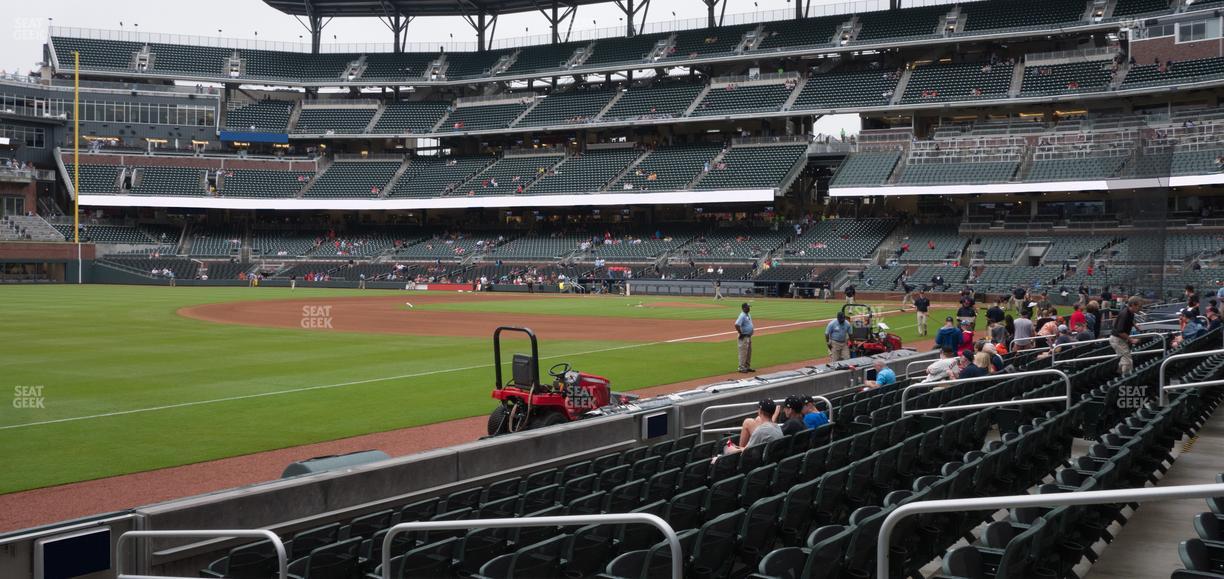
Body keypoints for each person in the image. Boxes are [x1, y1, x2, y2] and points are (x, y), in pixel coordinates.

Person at [1111, 296, 1142, 375]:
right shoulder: (1125, 314)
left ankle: (1117, 376)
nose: (1140, 308)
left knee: (1124, 359)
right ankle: (1126, 378)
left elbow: (1130, 320)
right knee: (1127, 361)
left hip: (1120, 339)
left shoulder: (1131, 312)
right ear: (1133, 305)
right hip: (1117, 339)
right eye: (1139, 306)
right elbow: (1120, 332)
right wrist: (1131, 339)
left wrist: (1135, 325)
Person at [735, 303, 755, 373]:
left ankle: (747, 366)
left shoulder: (748, 314)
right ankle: (741, 367)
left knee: (748, 352)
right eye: (747, 307)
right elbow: (737, 325)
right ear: (743, 308)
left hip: (748, 336)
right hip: (744, 336)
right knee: (743, 352)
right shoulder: (742, 315)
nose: (749, 308)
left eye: (749, 307)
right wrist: (740, 333)